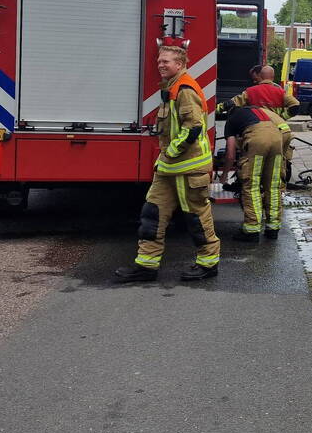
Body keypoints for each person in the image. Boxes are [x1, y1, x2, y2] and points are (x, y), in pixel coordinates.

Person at [115, 45, 220, 283]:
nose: (161, 65)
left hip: (188, 168)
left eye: (166, 62)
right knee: (152, 215)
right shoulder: (171, 87)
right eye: (160, 61)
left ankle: (208, 263)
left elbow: (193, 127)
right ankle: (146, 266)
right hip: (169, 168)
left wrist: (169, 153)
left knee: (196, 218)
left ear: (180, 64)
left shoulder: (184, 89)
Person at [221, 105, 284, 241]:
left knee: (252, 185)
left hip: (258, 140)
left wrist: (224, 176)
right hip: (278, 138)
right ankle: (273, 228)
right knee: (273, 186)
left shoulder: (231, 120)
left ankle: (252, 230)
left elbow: (230, 155)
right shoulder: (255, 111)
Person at [218, 64, 300, 119]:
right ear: (273, 77)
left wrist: (216, 109)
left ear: (261, 76)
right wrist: (282, 117)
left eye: (255, 79)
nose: (254, 81)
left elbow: (231, 103)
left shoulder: (250, 91)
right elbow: (295, 105)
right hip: (276, 127)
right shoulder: (280, 91)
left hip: (255, 125)